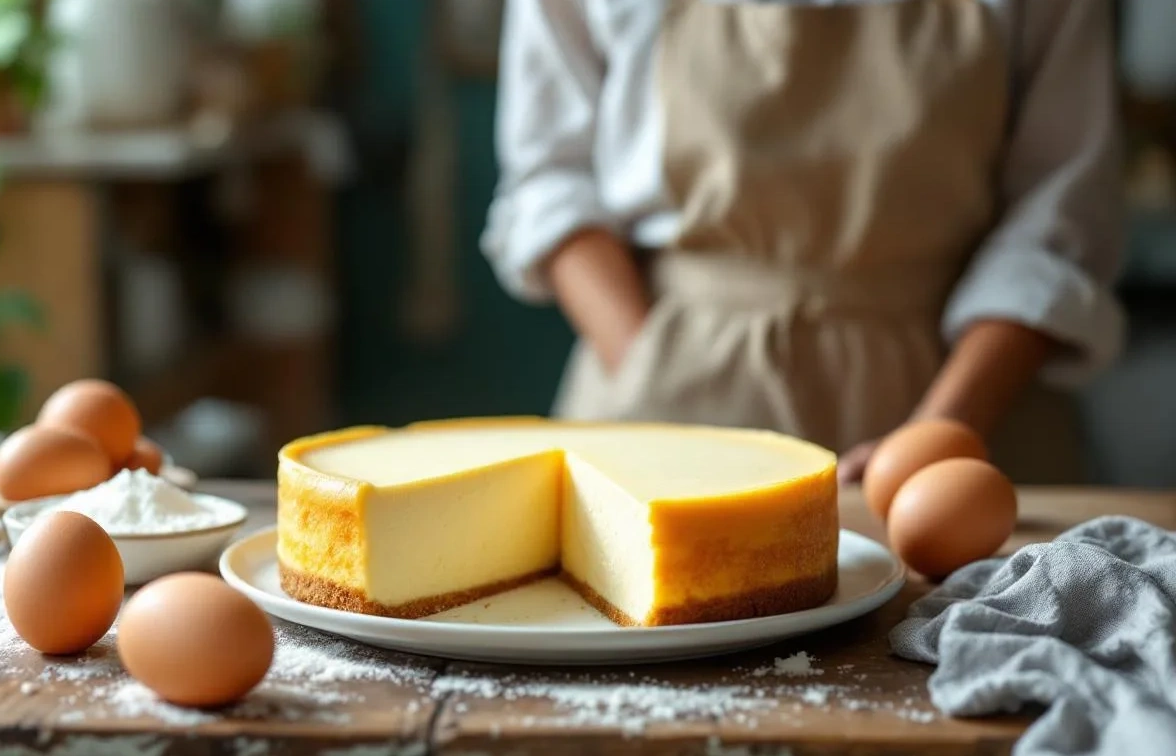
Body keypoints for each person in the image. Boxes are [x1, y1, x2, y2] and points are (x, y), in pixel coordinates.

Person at [480, 0, 1126, 484]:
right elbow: (551, 180)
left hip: (970, 399)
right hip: (666, 388)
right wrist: (649, 365)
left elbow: (1058, 216)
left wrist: (943, 431)